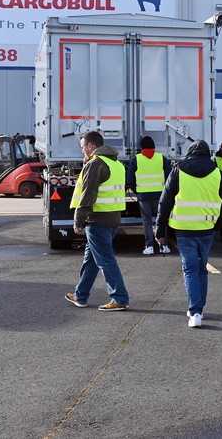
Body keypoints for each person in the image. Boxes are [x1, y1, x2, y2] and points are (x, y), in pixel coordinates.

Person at [155, 140, 222, 328]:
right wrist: (217, 225)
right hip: (206, 229)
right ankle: (199, 309)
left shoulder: (178, 170)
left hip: (183, 229)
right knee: (201, 268)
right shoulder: (217, 172)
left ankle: (195, 311)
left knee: (189, 268)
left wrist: (160, 230)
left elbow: (164, 203)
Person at [65, 131, 130, 311]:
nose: (82, 151)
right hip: (112, 218)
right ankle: (81, 295)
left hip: (97, 220)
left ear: (92, 146)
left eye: (83, 147)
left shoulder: (95, 164)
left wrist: (78, 220)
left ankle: (119, 297)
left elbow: (88, 195)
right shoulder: (116, 163)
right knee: (91, 259)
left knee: (105, 260)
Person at [126, 135, 172, 255]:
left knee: (147, 221)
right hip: (160, 195)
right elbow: (169, 178)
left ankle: (149, 246)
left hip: (143, 196)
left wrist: (138, 191)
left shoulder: (136, 159)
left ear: (141, 147)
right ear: (154, 147)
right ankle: (164, 246)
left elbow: (130, 180)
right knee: (161, 220)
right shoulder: (162, 158)